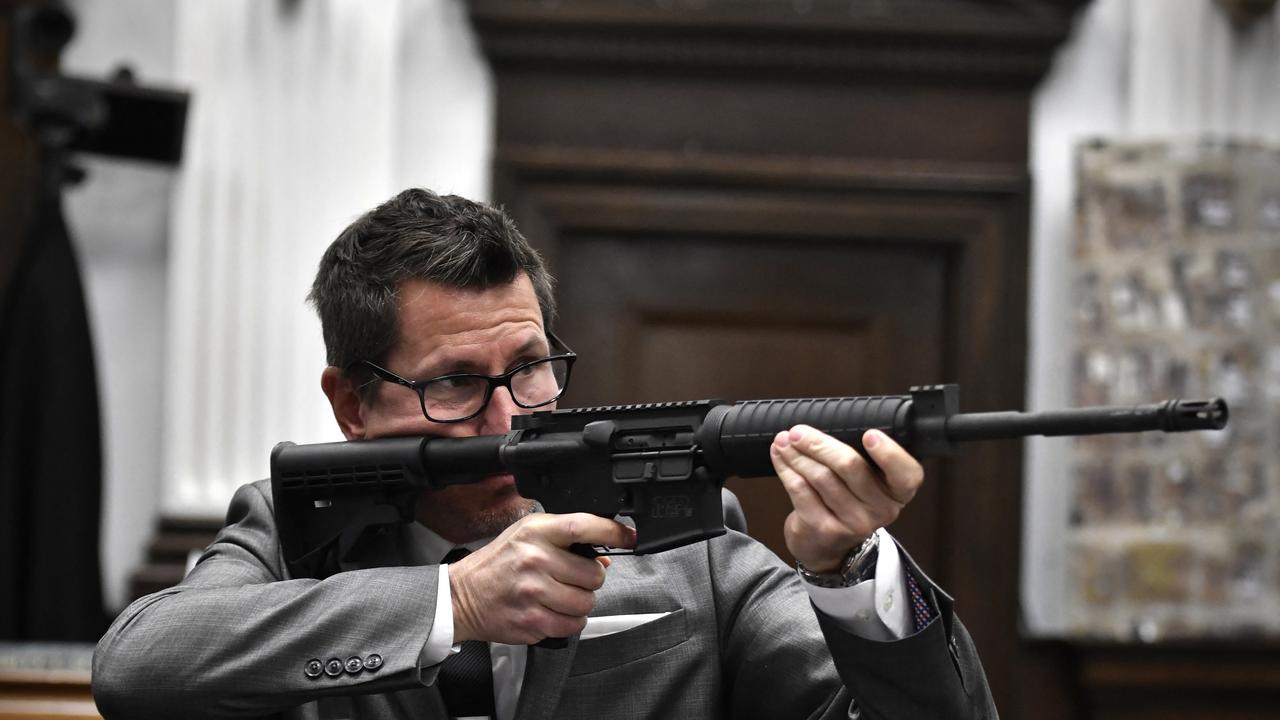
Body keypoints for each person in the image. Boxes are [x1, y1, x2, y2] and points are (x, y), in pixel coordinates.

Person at [92, 188, 997, 719]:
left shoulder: (684, 543)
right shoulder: (289, 535)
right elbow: (138, 668)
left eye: (529, 369)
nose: (505, 422)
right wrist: (454, 602)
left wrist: (850, 575)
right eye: (453, 383)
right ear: (351, 405)